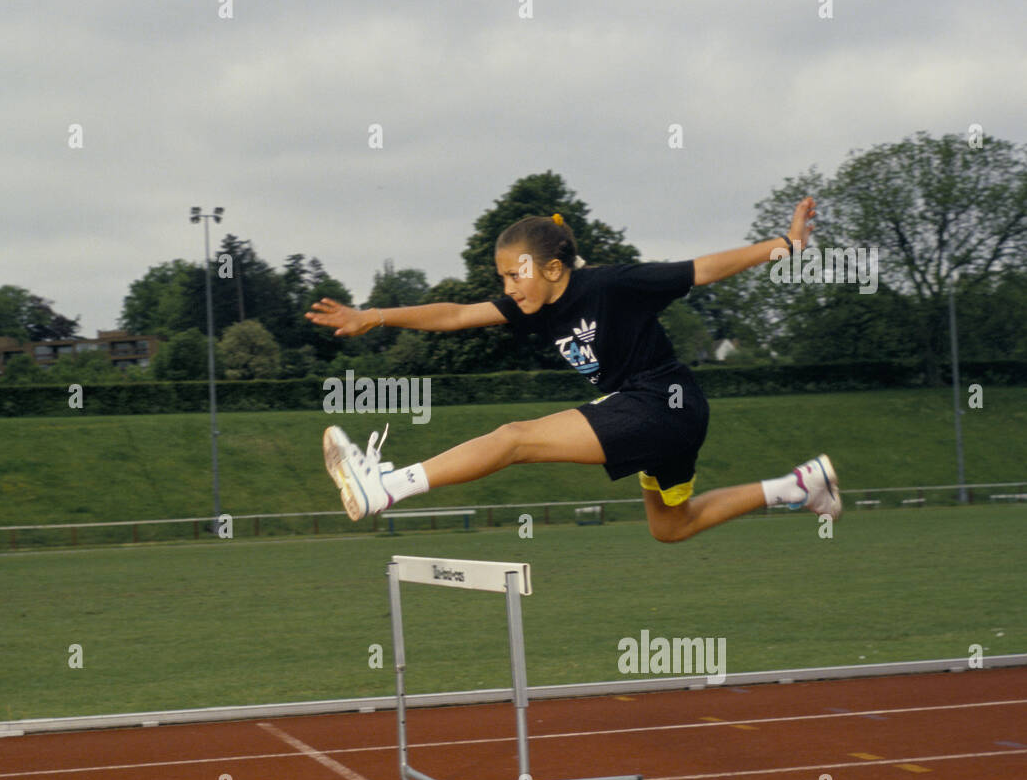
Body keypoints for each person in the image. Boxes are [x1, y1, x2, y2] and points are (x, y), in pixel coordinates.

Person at [306, 196, 840, 542]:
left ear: (554, 268)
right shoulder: (530, 306)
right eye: (503, 278)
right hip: (662, 416)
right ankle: (799, 486)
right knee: (672, 526)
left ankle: (386, 486)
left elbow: (701, 269)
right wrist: (374, 316)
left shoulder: (611, 285)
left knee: (515, 438)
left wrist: (784, 246)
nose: (510, 289)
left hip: (662, 401)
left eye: (516, 276)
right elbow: (457, 314)